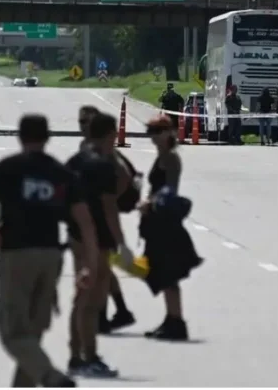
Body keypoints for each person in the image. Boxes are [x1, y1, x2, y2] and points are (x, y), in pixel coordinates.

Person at [0, 114, 101, 387]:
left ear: (20, 136)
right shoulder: (60, 173)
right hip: (50, 256)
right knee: (33, 330)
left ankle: (49, 376)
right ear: (47, 137)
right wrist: (90, 265)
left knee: (13, 333)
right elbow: (85, 222)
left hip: (16, 253)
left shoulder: (9, 169)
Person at [66, 112, 135, 377]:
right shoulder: (104, 166)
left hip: (76, 235)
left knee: (80, 297)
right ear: (110, 134)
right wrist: (122, 244)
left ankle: (76, 355)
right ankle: (90, 356)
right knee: (93, 300)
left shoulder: (75, 161)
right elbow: (109, 207)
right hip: (99, 237)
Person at [138, 115, 203, 340]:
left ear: (169, 133)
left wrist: (152, 202)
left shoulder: (171, 159)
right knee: (161, 272)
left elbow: (171, 189)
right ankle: (170, 318)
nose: (154, 137)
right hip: (156, 220)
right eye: (151, 132)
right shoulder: (161, 157)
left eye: (158, 131)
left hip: (166, 222)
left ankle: (176, 321)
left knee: (169, 273)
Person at [77, 106, 136, 334]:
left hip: (100, 217)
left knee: (99, 267)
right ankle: (118, 310)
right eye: (81, 121)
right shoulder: (85, 147)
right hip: (88, 216)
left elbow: (123, 177)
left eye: (88, 122)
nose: (83, 126)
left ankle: (103, 315)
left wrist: (108, 199)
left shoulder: (107, 151)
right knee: (100, 267)